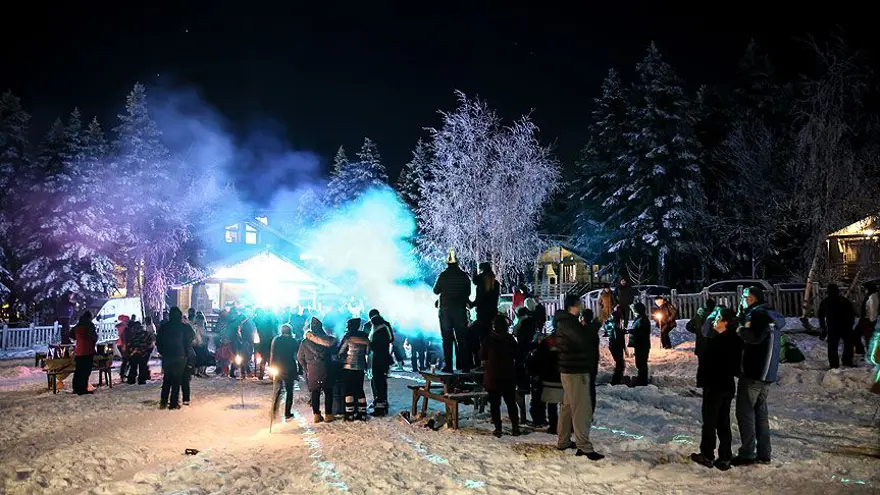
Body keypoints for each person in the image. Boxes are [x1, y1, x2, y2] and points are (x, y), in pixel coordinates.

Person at [732, 286, 782, 466]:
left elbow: (753, 337)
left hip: (753, 372)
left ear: (752, 299)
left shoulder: (757, 315)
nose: (742, 300)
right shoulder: (770, 316)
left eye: (744, 297)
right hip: (766, 374)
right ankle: (764, 453)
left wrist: (740, 329)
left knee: (745, 413)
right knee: (760, 414)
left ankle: (747, 454)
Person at [691, 308, 742, 471]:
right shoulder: (735, 340)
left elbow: (709, 362)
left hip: (715, 385)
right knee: (723, 421)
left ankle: (707, 455)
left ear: (725, 322)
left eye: (718, 318)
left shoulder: (718, 340)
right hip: (727, 385)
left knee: (710, 421)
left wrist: (704, 379)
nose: (715, 321)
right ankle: (725, 456)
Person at [554, 294, 604, 460]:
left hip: (570, 370)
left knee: (568, 407)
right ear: (573, 306)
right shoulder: (569, 323)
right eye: (580, 304)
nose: (582, 306)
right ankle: (584, 446)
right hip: (575, 371)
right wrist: (596, 323)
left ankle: (563, 440)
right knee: (581, 408)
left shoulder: (567, 322)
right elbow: (583, 339)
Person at [432, 249, 472, 372]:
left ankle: (448, 366)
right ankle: (465, 366)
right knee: (462, 339)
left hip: (445, 311)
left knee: (447, 340)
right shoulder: (463, 275)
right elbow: (468, 292)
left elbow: (436, 291)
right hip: (460, 310)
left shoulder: (443, 275)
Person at [481, 314, 520, 437]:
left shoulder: (488, 339)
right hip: (508, 375)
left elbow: (481, 355)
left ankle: (498, 428)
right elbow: (517, 355)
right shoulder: (510, 339)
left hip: (493, 376)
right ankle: (515, 427)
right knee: (511, 403)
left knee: (495, 404)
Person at [298, 318, 338, 423]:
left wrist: (306, 367)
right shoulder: (328, 340)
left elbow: (300, 357)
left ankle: (316, 415)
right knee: (328, 391)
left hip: (312, 370)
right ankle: (328, 415)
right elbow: (335, 351)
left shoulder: (305, 342)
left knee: (315, 392)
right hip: (326, 368)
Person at [156, 307, 195, 410]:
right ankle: (174, 403)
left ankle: (163, 401)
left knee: (167, 379)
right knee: (176, 380)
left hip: (167, 356)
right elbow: (191, 336)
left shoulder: (164, 327)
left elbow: (158, 341)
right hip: (180, 356)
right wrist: (186, 351)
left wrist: (163, 352)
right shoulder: (184, 327)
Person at [818, 284, 857, 368]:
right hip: (845, 326)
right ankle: (847, 361)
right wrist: (850, 324)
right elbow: (852, 313)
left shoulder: (826, 301)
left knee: (832, 346)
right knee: (848, 344)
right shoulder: (844, 300)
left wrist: (823, 326)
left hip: (833, 327)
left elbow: (820, 315)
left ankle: (834, 364)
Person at [337, 318, 370, 421]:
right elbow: (368, 352)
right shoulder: (365, 337)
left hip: (348, 366)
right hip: (361, 366)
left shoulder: (348, 337)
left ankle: (349, 413)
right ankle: (362, 413)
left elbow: (341, 351)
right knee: (359, 389)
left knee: (349, 390)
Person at [472, 262, 501, 369]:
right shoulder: (495, 283)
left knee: (480, 338)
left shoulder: (482, 283)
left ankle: (481, 362)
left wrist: (472, 304)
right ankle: (491, 361)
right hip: (492, 314)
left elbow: (479, 299)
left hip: (482, 315)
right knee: (491, 338)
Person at [270, 323, 301, 420]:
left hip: (278, 367)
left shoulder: (276, 340)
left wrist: (271, 366)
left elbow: (272, 354)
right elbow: (298, 356)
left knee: (277, 390)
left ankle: (274, 410)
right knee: (289, 391)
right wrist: (299, 370)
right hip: (289, 368)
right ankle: (287, 412)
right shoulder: (293, 341)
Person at [368, 309, 394, 416]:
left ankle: (380, 407)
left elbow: (372, 344)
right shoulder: (386, 325)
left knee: (377, 382)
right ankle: (382, 403)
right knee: (381, 381)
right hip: (384, 358)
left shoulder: (374, 328)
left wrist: (370, 345)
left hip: (377, 359)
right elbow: (391, 339)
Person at [513, 306, 536, 425]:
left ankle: (523, 416)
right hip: (529, 371)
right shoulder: (532, 343)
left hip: (521, 369)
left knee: (521, 391)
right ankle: (529, 416)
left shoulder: (520, 341)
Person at [686, 299, 717, 388]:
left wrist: (697, 331)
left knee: (702, 365)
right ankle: (710, 382)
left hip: (701, 345)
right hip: (712, 345)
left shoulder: (699, 316)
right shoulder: (715, 316)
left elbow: (688, 326)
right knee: (712, 365)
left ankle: (701, 383)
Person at [71, 312, 97, 395]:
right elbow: (94, 337)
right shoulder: (89, 325)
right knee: (85, 371)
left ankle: (76, 388)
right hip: (88, 350)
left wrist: (78, 338)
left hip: (79, 351)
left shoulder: (78, 325)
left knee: (78, 370)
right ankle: (82, 389)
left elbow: (71, 334)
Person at [629, 303, 652, 386]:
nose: (634, 311)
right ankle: (641, 379)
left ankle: (642, 381)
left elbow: (643, 332)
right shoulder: (639, 318)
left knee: (642, 363)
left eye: (635, 309)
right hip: (639, 344)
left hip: (642, 344)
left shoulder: (643, 320)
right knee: (639, 363)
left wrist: (632, 331)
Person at [126, 318, 154, 385]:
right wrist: (148, 351)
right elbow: (151, 343)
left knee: (133, 367)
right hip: (144, 353)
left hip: (135, 353)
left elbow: (130, 344)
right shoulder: (146, 334)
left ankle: (131, 380)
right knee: (142, 367)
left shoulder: (133, 334)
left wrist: (131, 351)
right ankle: (141, 380)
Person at [606, 305, 627, 385]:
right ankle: (616, 380)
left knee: (620, 364)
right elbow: (619, 339)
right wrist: (624, 348)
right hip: (616, 347)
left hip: (614, 346)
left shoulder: (612, 325)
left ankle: (617, 379)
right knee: (620, 364)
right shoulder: (616, 327)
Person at [859, 282, 879, 355]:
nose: (864, 290)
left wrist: (871, 322)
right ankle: (862, 351)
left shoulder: (873, 296)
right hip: (864, 319)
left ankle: (871, 355)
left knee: (868, 338)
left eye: (865, 288)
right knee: (858, 335)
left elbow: (873, 310)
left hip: (868, 320)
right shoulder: (869, 295)